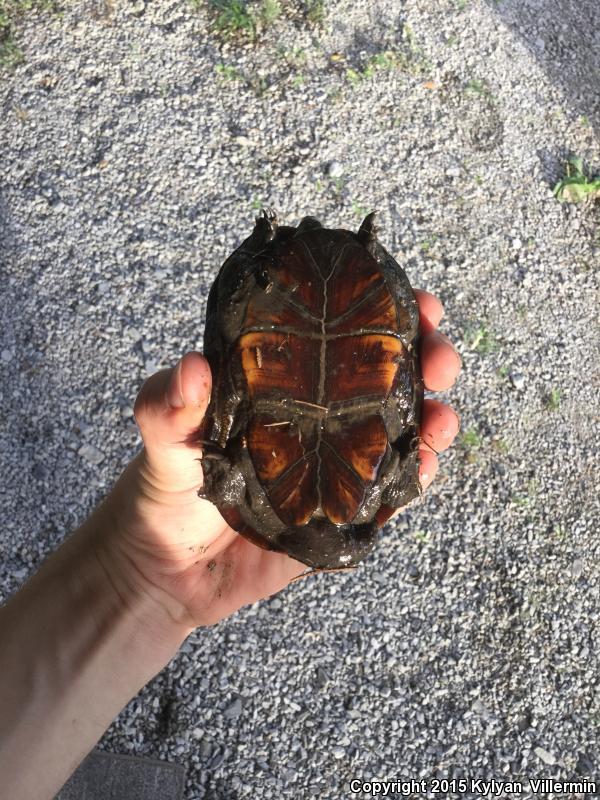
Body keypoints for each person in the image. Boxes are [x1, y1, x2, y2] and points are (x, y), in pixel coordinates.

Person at [0, 290, 460, 800]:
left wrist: (136, 584)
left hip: (282, 295)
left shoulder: (250, 504)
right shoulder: (279, 506)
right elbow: (398, 424)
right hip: (356, 302)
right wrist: (137, 584)